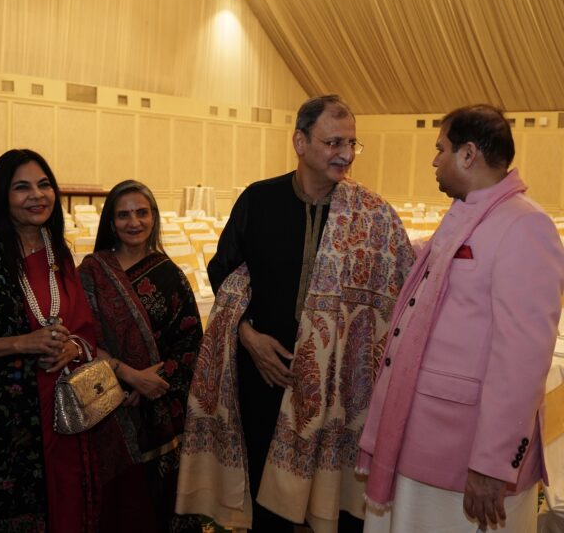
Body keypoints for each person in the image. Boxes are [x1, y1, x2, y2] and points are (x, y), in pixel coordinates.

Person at [176, 95, 415, 533]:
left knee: (329, 510)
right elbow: (225, 272)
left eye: (352, 143)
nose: (345, 154)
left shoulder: (374, 216)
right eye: (333, 142)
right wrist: (248, 336)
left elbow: (399, 291)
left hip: (338, 386)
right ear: (300, 142)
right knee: (265, 502)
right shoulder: (258, 200)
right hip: (264, 372)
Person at [358, 105, 564, 532]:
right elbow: (431, 266)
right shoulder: (472, 213)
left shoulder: (526, 226)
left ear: (468, 155)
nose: (434, 160)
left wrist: (493, 464)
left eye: (441, 149)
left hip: (466, 450)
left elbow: (522, 362)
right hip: (425, 435)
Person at [0, 149, 98, 532]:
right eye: (22, 187)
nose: (37, 195)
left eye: (44, 185)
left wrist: (72, 348)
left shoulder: (58, 253)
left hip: (57, 408)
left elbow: (84, 331)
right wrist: (20, 344)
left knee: (58, 504)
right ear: (1, 196)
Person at [78, 180, 203, 533]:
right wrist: (127, 378)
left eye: (142, 213)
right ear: (111, 222)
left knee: (156, 507)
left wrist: (151, 383)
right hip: (105, 405)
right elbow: (81, 339)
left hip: (158, 406)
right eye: (123, 215)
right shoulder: (92, 271)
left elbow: (191, 341)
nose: (134, 222)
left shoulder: (170, 275)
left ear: (154, 217)